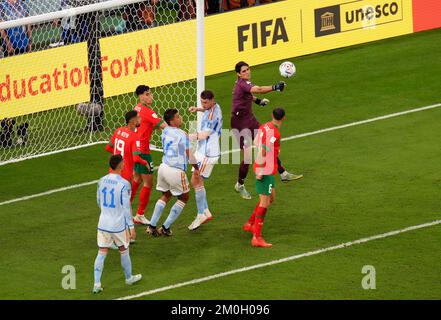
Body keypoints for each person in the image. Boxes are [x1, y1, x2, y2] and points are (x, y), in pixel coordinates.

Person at [231, 61, 302, 200]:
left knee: (268, 144)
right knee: (247, 158)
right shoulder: (242, 83)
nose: (247, 72)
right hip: (239, 124)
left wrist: (258, 102)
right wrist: (275, 87)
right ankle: (239, 185)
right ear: (238, 74)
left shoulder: (244, 84)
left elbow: (249, 95)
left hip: (249, 120)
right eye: (244, 71)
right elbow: (257, 89)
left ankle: (283, 173)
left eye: (248, 69)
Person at [93, 154, 142, 293]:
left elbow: (98, 201)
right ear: (120, 165)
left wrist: (106, 212)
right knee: (124, 250)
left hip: (103, 222)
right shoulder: (124, 184)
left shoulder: (101, 180)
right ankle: (128, 278)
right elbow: (126, 207)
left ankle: (96, 284)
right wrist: (131, 227)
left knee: (102, 252)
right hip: (118, 225)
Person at [147, 109, 200, 236]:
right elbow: (189, 154)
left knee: (166, 194)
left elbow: (156, 126)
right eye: (177, 117)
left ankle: (152, 225)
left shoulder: (165, 130)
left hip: (163, 167)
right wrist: (196, 168)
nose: (180, 118)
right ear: (172, 121)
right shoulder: (181, 134)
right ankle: (165, 228)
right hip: (176, 170)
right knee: (184, 197)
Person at [243, 108, 285, 247]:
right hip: (265, 169)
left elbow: (256, 142)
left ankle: (250, 223)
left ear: (272, 116)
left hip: (269, 169)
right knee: (264, 203)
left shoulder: (264, 126)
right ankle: (257, 237)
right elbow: (263, 149)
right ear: (283, 118)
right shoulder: (276, 134)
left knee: (271, 197)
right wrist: (260, 169)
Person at [131, 85, 167, 226]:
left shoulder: (137, 107)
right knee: (148, 183)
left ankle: (125, 209)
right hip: (143, 151)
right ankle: (140, 214)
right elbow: (164, 126)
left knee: (137, 179)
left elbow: (147, 124)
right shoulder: (147, 111)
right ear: (140, 96)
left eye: (150, 93)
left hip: (135, 148)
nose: (150, 96)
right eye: (147, 94)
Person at [187, 90, 222, 230]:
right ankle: (205, 211)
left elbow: (203, 135)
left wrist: (186, 136)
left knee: (195, 180)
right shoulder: (216, 106)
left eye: (205, 102)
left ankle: (201, 213)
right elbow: (208, 109)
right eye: (202, 102)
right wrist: (199, 109)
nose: (203, 104)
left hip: (207, 152)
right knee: (196, 180)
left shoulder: (212, 115)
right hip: (204, 150)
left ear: (212, 100)